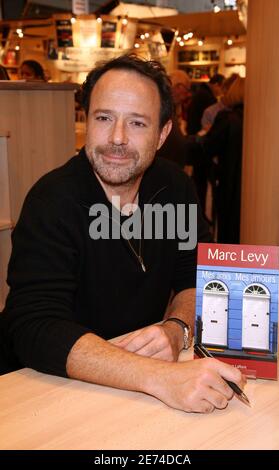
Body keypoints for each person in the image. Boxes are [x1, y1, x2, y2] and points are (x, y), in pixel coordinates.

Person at [0, 55, 245, 413]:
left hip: (129, 395)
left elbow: (197, 275)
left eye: (137, 123)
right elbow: (35, 326)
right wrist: (159, 376)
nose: (117, 138)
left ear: (162, 134)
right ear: (86, 119)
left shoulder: (175, 187)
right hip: (46, 391)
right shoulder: (53, 200)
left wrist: (176, 329)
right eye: (104, 118)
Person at [188, 76, 245, 244]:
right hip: (241, 183)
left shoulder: (227, 118)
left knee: (224, 227)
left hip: (225, 180)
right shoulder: (249, 119)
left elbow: (207, 146)